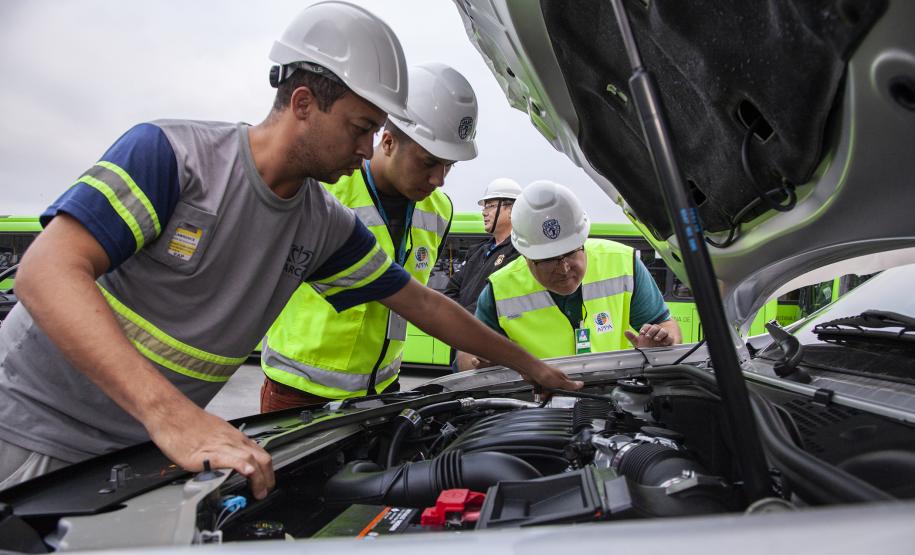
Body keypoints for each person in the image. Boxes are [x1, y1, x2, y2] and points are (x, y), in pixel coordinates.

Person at [0, 3, 581, 495]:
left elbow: (423, 304)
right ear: (302, 103)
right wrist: (173, 416)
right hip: (29, 431)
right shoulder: (172, 156)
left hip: (138, 452)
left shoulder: (320, 222)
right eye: (359, 127)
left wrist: (532, 368)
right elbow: (45, 272)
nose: (365, 148)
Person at [260, 62, 475, 410]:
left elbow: (418, 300)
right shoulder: (325, 191)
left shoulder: (440, 210)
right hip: (299, 389)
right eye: (428, 161)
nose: (439, 179)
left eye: (449, 165)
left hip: (383, 389)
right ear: (387, 142)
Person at [457, 180, 681, 370]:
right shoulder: (499, 289)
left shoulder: (624, 265)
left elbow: (667, 326)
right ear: (525, 256)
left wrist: (661, 345)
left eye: (571, 253)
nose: (564, 268)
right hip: (537, 409)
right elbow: (466, 356)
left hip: (613, 403)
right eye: (549, 260)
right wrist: (478, 363)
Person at [443, 178, 522, 313]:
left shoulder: (519, 252)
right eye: (484, 207)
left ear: (512, 210)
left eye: (490, 206)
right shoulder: (477, 252)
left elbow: (497, 298)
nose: (484, 212)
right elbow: (451, 289)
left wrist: (463, 320)